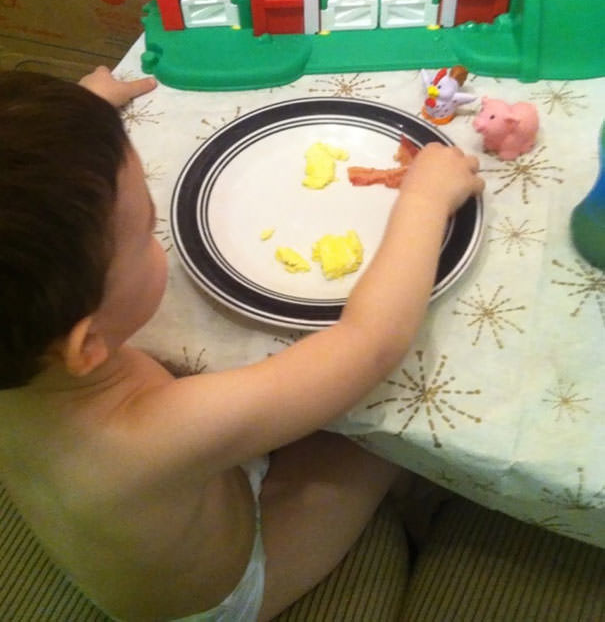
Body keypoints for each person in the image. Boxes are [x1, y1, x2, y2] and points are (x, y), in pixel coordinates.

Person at [0, 66, 484, 622]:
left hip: (161, 508)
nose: (157, 236)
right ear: (87, 345)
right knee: (374, 432)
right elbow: (368, 344)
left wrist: (82, 111)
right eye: (147, 232)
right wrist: (424, 198)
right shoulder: (148, 435)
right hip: (226, 588)